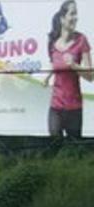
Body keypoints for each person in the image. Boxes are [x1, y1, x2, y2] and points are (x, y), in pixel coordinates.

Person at [46, 0, 92, 138]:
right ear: (62, 19)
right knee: (54, 142)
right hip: (56, 105)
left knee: (74, 148)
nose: (75, 18)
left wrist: (74, 65)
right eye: (72, 14)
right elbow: (54, 66)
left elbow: (91, 76)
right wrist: (47, 77)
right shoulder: (52, 44)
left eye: (76, 14)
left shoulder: (81, 40)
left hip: (74, 107)